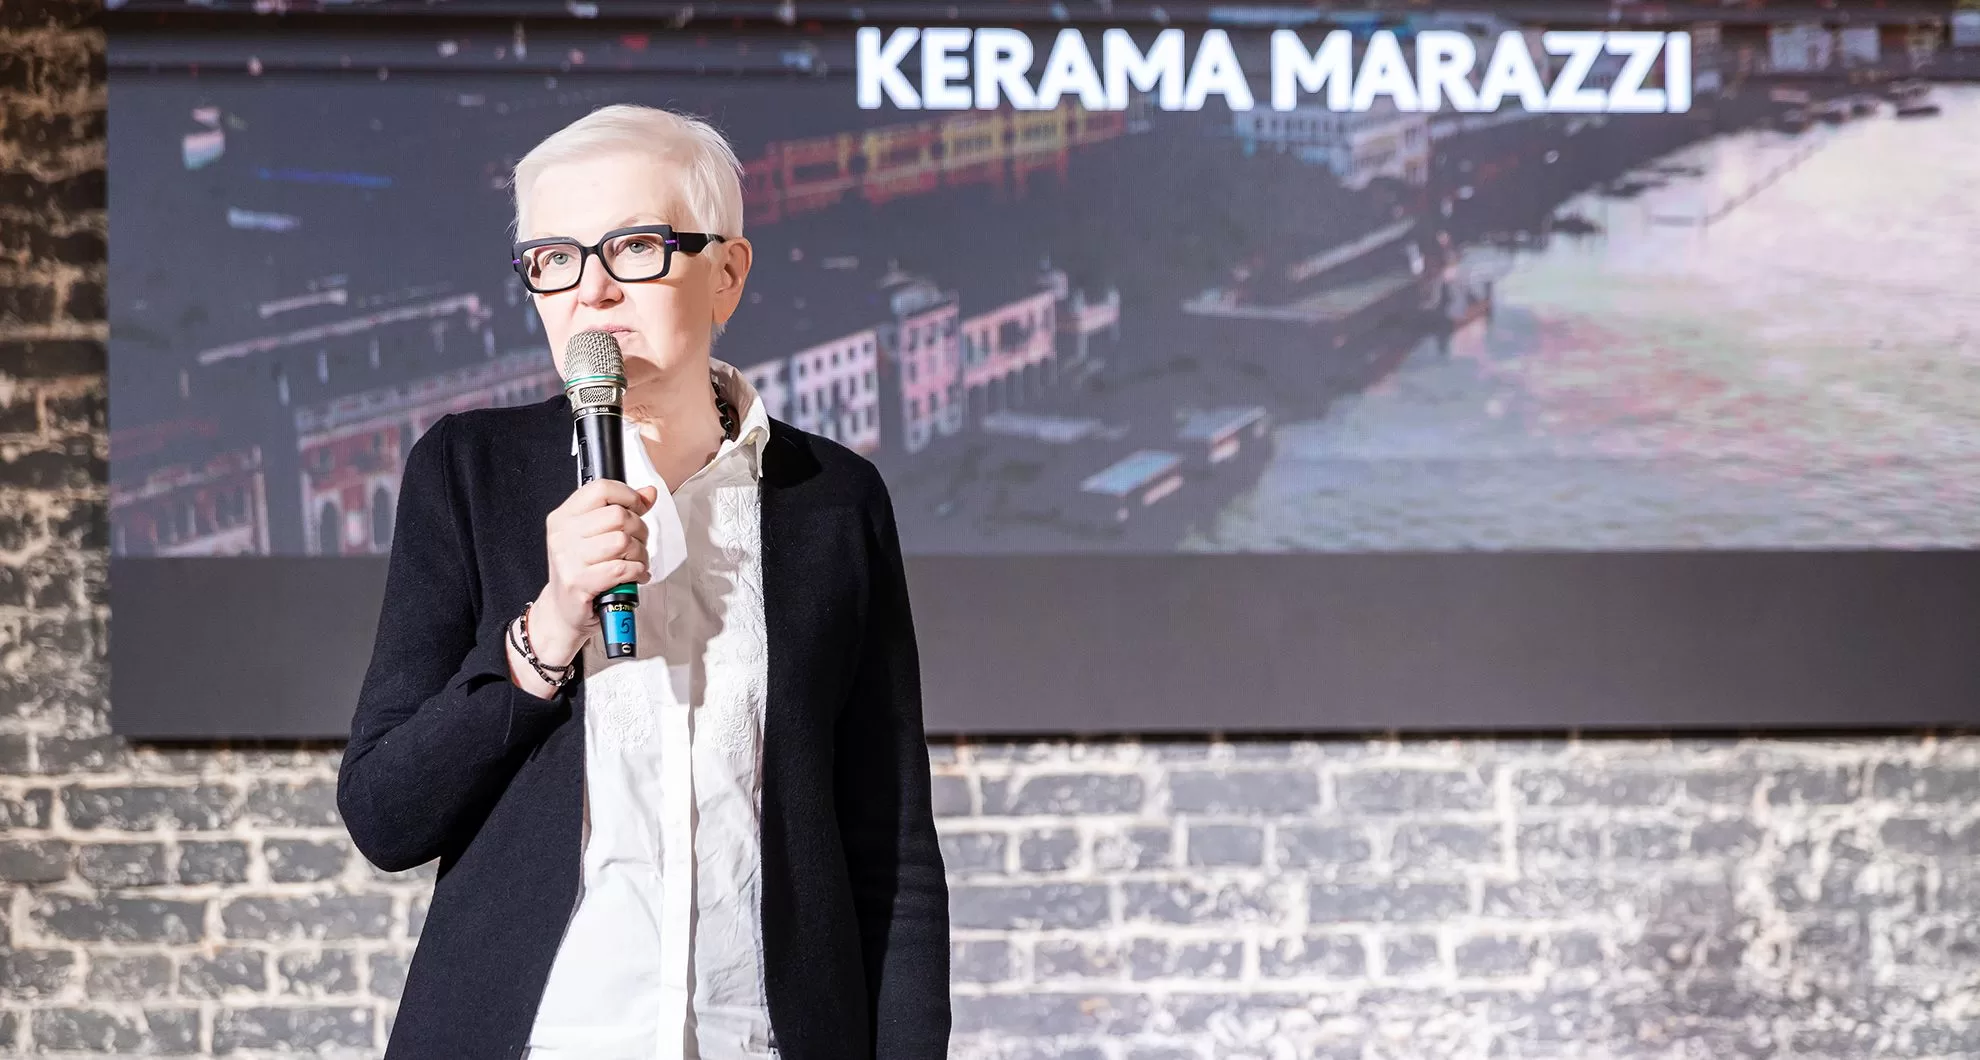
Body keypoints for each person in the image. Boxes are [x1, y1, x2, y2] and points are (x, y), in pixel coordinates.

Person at [337, 103, 951, 1060]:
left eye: (633, 247)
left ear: (727, 273)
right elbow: (385, 815)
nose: (592, 290)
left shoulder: (834, 500)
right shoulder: (467, 473)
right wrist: (545, 632)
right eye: (554, 258)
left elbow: (894, 855)